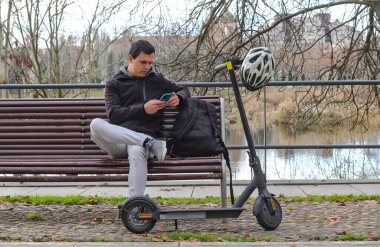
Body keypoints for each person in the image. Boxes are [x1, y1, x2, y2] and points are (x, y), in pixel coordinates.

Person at [90, 40, 190, 197]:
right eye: (143, 62)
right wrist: (143, 109)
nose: (147, 67)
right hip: (120, 142)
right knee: (95, 124)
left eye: (150, 63)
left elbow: (184, 90)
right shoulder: (114, 83)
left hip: (143, 143)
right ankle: (148, 142)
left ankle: (135, 203)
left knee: (137, 150)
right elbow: (114, 115)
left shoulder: (157, 80)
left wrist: (179, 97)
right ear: (131, 59)